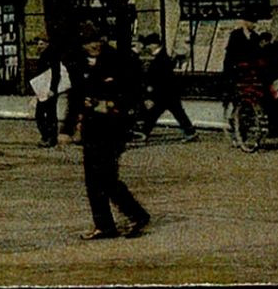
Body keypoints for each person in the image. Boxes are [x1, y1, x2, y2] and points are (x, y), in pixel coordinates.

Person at [63, 27, 151, 240]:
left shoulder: (119, 59)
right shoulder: (78, 63)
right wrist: (67, 129)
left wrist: (112, 104)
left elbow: (134, 91)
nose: (94, 45)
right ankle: (104, 225)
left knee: (106, 177)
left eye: (96, 40)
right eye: (88, 42)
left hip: (114, 127)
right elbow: (75, 98)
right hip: (92, 128)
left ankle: (137, 214)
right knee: (93, 179)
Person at [138, 34, 198, 141]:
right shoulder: (162, 56)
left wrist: (152, 90)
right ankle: (190, 131)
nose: (147, 47)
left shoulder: (161, 58)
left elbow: (160, 77)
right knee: (172, 112)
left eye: (149, 44)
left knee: (161, 113)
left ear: (154, 45)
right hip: (168, 92)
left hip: (164, 92)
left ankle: (144, 133)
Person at [33, 39, 67, 148]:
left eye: (41, 44)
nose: (39, 46)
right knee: (42, 114)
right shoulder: (43, 55)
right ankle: (47, 136)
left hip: (49, 90)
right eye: (38, 44)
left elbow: (56, 73)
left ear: (47, 44)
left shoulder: (52, 55)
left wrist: (53, 89)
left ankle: (50, 138)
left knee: (48, 114)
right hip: (43, 89)